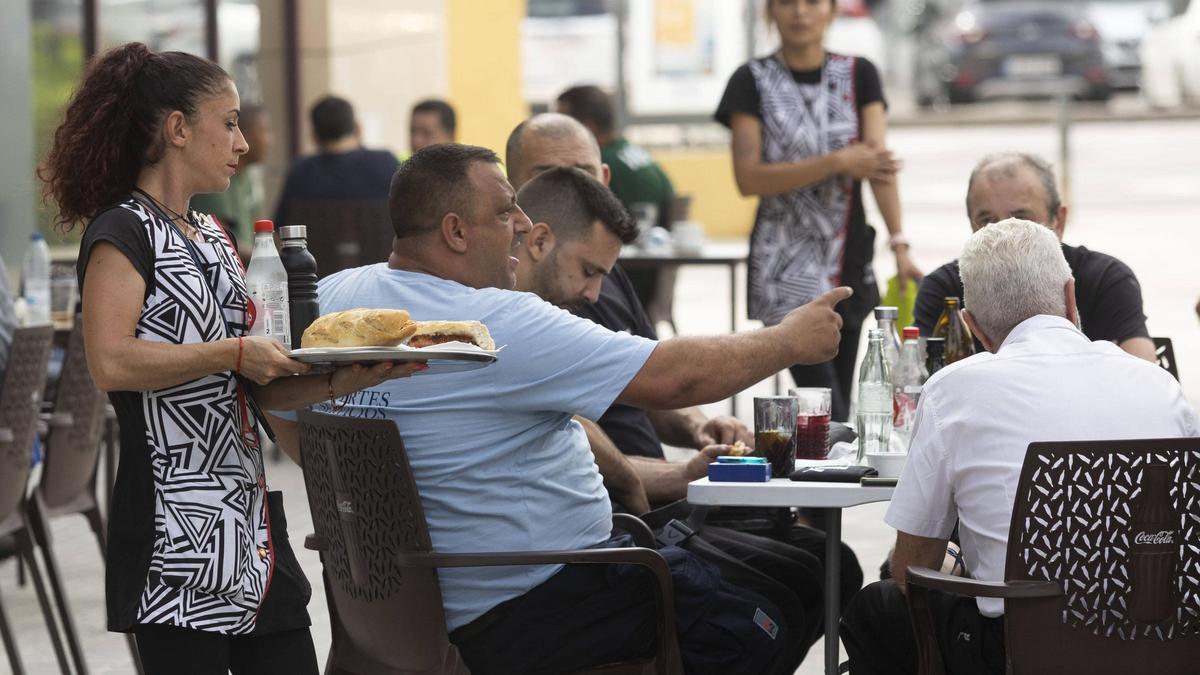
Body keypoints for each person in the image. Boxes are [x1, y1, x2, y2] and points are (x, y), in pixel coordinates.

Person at [272, 142, 853, 674]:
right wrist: (789, 339)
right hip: (539, 601)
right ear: (454, 230)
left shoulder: (330, 302)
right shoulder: (494, 323)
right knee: (763, 619)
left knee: (796, 566)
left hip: (412, 608)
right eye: (504, 213)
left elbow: (277, 408)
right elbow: (676, 378)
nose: (522, 225)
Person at [37, 43, 423, 674]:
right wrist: (236, 351)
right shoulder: (123, 231)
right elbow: (110, 362)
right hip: (175, 533)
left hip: (249, 526)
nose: (244, 141)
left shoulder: (214, 234)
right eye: (231, 122)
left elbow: (253, 389)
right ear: (178, 129)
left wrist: (345, 378)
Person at [505, 113, 864, 615]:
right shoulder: (522, 314)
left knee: (822, 563)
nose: (592, 289)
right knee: (795, 585)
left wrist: (699, 429)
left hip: (648, 506)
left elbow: (650, 389)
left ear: (605, 179)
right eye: (547, 174)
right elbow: (666, 380)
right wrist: (785, 342)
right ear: (514, 198)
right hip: (612, 530)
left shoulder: (600, 279)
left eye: (584, 173)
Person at [840, 218, 1199, 675]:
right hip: (1155, 644)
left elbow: (912, 572)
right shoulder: (1159, 385)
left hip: (1020, 653)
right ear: (1071, 297)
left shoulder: (954, 390)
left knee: (879, 605)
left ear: (973, 328)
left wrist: (958, 565)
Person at [715, 0, 920, 422]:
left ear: (831, 10)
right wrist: (836, 162)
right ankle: (829, 474)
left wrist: (900, 241)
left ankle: (835, 481)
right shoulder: (751, 80)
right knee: (823, 400)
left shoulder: (859, 73)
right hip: (784, 265)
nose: (800, 13)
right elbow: (748, 178)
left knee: (843, 399)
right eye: (787, 3)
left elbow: (878, 167)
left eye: (812, 2)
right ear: (770, 12)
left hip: (848, 256)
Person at [914, 152, 1156, 362]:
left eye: (1021, 218)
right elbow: (915, 384)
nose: (1005, 232)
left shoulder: (1105, 279)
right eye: (987, 221)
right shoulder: (945, 289)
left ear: (1058, 221)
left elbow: (1142, 376)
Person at [556, 85, 676, 310]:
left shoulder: (597, 166)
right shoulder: (641, 156)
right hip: (651, 275)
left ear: (586, 127)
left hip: (619, 281)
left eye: (562, 124)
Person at [273, 95, 400, 226]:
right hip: (381, 247)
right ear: (358, 128)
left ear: (314, 136)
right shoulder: (387, 163)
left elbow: (280, 228)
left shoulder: (299, 172)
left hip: (314, 247)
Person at [191, 104, 272, 257]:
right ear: (245, 133)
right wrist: (266, 258)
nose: (270, 140)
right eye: (264, 130)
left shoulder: (247, 178)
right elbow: (219, 241)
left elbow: (262, 231)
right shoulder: (216, 179)